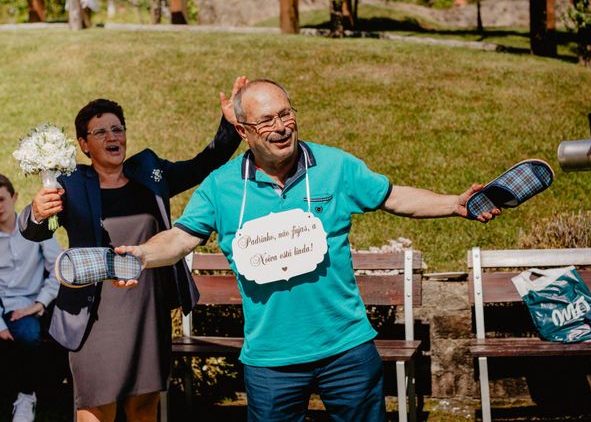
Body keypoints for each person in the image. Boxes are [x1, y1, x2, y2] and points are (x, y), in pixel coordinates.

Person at [116, 79, 500, 421]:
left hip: (346, 350)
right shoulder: (221, 186)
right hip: (270, 362)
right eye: (266, 121)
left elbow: (394, 197)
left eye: (286, 114)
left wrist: (453, 203)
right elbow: (180, 238)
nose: (281, 127)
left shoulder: (335, 166)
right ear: (242, 131)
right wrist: (143, 256)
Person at [18, 80, 243, 422]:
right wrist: (36, 210)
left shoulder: (150, 171)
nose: (113, 137)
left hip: (147, 309)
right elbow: (32, 231)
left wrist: (229, 125)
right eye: (101, 132)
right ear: (83, 144)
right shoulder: (70, 183)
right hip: (94, 315)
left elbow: (202, 165)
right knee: (95, 408)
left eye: (117, 129)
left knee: (143, 407)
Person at [0, 174, 61, 422]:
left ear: (14, 198)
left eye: (1, 199)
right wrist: (0, 325)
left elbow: (59, 270)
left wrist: (38, 304)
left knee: (29, 334)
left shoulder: (33, 228)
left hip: (31, 305)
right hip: (3, 306)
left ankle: (27, 396)